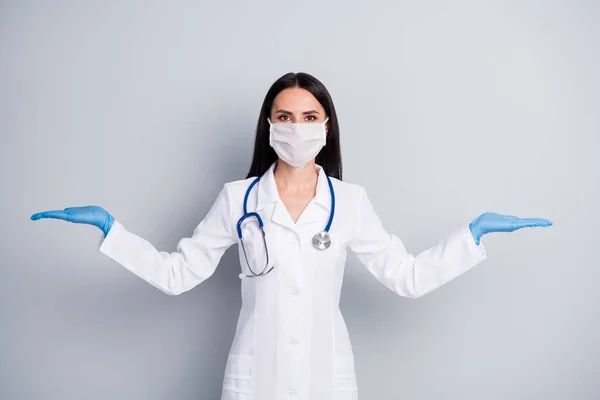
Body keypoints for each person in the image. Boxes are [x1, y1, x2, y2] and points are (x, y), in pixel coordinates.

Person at [31, 72, 552, 399]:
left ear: (326, 126)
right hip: (254, 379)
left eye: (308, 116)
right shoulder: (238, 199)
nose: (296, 127)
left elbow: (406, 277)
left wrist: (473, 236)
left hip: (329, 378)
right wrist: (111, 230)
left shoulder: (349, 202)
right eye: (285, 116)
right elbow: (177, 274)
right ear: (269, 124)